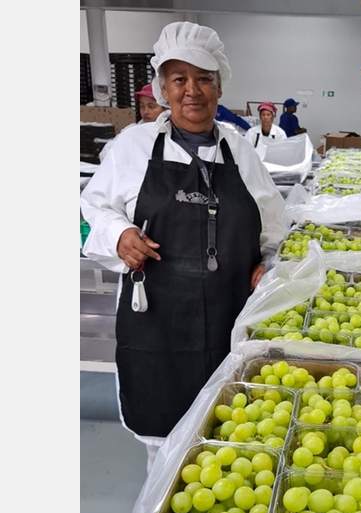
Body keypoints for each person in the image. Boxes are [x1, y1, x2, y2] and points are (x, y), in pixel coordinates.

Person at [80, 21, 286, 471]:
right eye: (179, 79)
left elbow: (274, 225)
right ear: (163, 89)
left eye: (204, 78)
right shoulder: (134, 147)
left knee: (233, 436)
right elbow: (94, 207)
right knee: (164, 441)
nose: (192, 90)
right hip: (157, 323)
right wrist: (119, 235)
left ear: (219, 85)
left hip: (230, 319)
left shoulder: (241, 151)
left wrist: (268, 262)